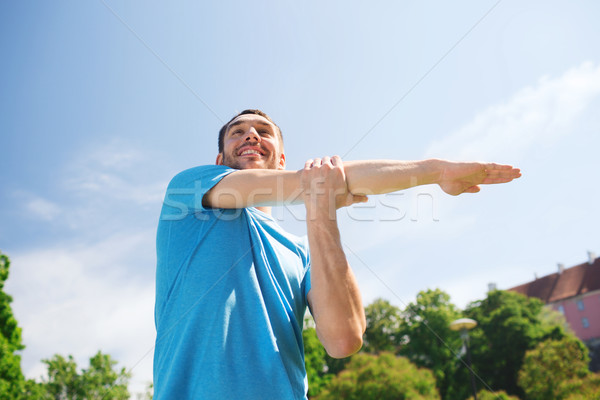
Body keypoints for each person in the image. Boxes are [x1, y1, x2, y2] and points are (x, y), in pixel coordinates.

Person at [153, 109, 521, 399]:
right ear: (219, 160)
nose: (251, 134)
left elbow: (344, 339)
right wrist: (435, 171)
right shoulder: (187, 193)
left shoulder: (302, 252)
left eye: (264, 131)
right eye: (238, 131)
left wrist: (321, 210)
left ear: (281, 159)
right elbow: (315, 181)